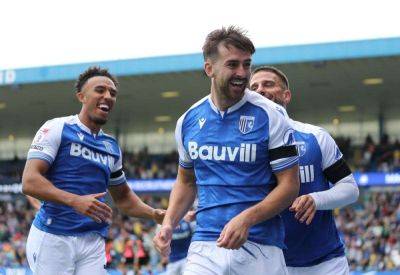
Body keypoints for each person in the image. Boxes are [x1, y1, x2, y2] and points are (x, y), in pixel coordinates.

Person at [153, 26, 300, 275]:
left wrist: (247, 218)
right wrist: (169, 223)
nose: (242, 73)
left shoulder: (271, 115)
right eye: (233, 64)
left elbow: (289, 186)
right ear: (209, 68)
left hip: (261, 245)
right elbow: (186, 182)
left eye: (247, 64)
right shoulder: (188, 120)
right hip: (205, 246)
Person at [22, 66, 165, 275]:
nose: (107, 96)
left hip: (93, 240)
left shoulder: (111, 147)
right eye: (100, 90)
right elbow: (30, 181)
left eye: (112, 93)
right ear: (81, 96)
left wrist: (154, 214)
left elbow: (124, 197)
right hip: (54, 235)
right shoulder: (57, 128)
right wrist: (75, 201)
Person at [250, 66, 359, 275]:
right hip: (269, 265)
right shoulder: (244, 148)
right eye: (254, 87)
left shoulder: (315, 137)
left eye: (268, 84)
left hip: (326, 263)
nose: (260, 90)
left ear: (286, 95)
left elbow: (350, 189)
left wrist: (315, 199)